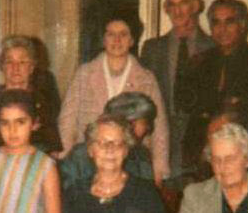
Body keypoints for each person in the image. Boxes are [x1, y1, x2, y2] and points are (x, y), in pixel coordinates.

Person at [59, 15, 170, 185]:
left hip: (131, 160)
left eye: (123, 34)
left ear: (132, 40)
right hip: (89, 157)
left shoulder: (146, 78)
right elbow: (68, 119)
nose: (117, 40)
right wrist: (66, 155)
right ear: (103, 39)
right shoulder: (85, 73)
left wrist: (159, 167)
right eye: (111, 34)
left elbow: (159, 126)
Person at [182, 0, 248, 183]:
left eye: (229, 21)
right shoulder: (199, 63)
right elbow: (191, 114)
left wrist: (231, 117)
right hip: (204, 164)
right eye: (216, 22)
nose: (222, 29)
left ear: (243, 25)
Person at [140, 0, 214, 175]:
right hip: (161, 135)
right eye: (172, 4)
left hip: (201, 137)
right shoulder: (152, 48)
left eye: (183, 3)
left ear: (196, 6)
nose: (177, 11)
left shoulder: (213, 47)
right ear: (165, 8)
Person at [0, 89, 61, 213]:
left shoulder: (45, 166)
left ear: (34, 123)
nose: (12, 130)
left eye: (20, 122)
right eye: (5, 123)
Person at [0, 35, 62, 154]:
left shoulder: (42, 104)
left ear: (31, 67)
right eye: (9, 62)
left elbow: (53, 149)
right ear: (2, 67)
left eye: (22, 62)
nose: (15, 67)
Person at [63, 114, 166, 213]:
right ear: (90, 150)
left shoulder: (145, 193)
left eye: (118, 143)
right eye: (102, 143)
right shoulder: (74, 194)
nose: (110, 149)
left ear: (126, 151)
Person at [60, 92, 157, 189]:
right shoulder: (81, 155)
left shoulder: (141, 156)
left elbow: (147, 194)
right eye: (144, 123)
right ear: (129, 123)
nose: (147, 128)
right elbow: (66, 193)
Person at [180, 123, 248, 212]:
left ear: (247, 160)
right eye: (216, 160)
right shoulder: (195, 196)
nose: (223, 166)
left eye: (230, 159)